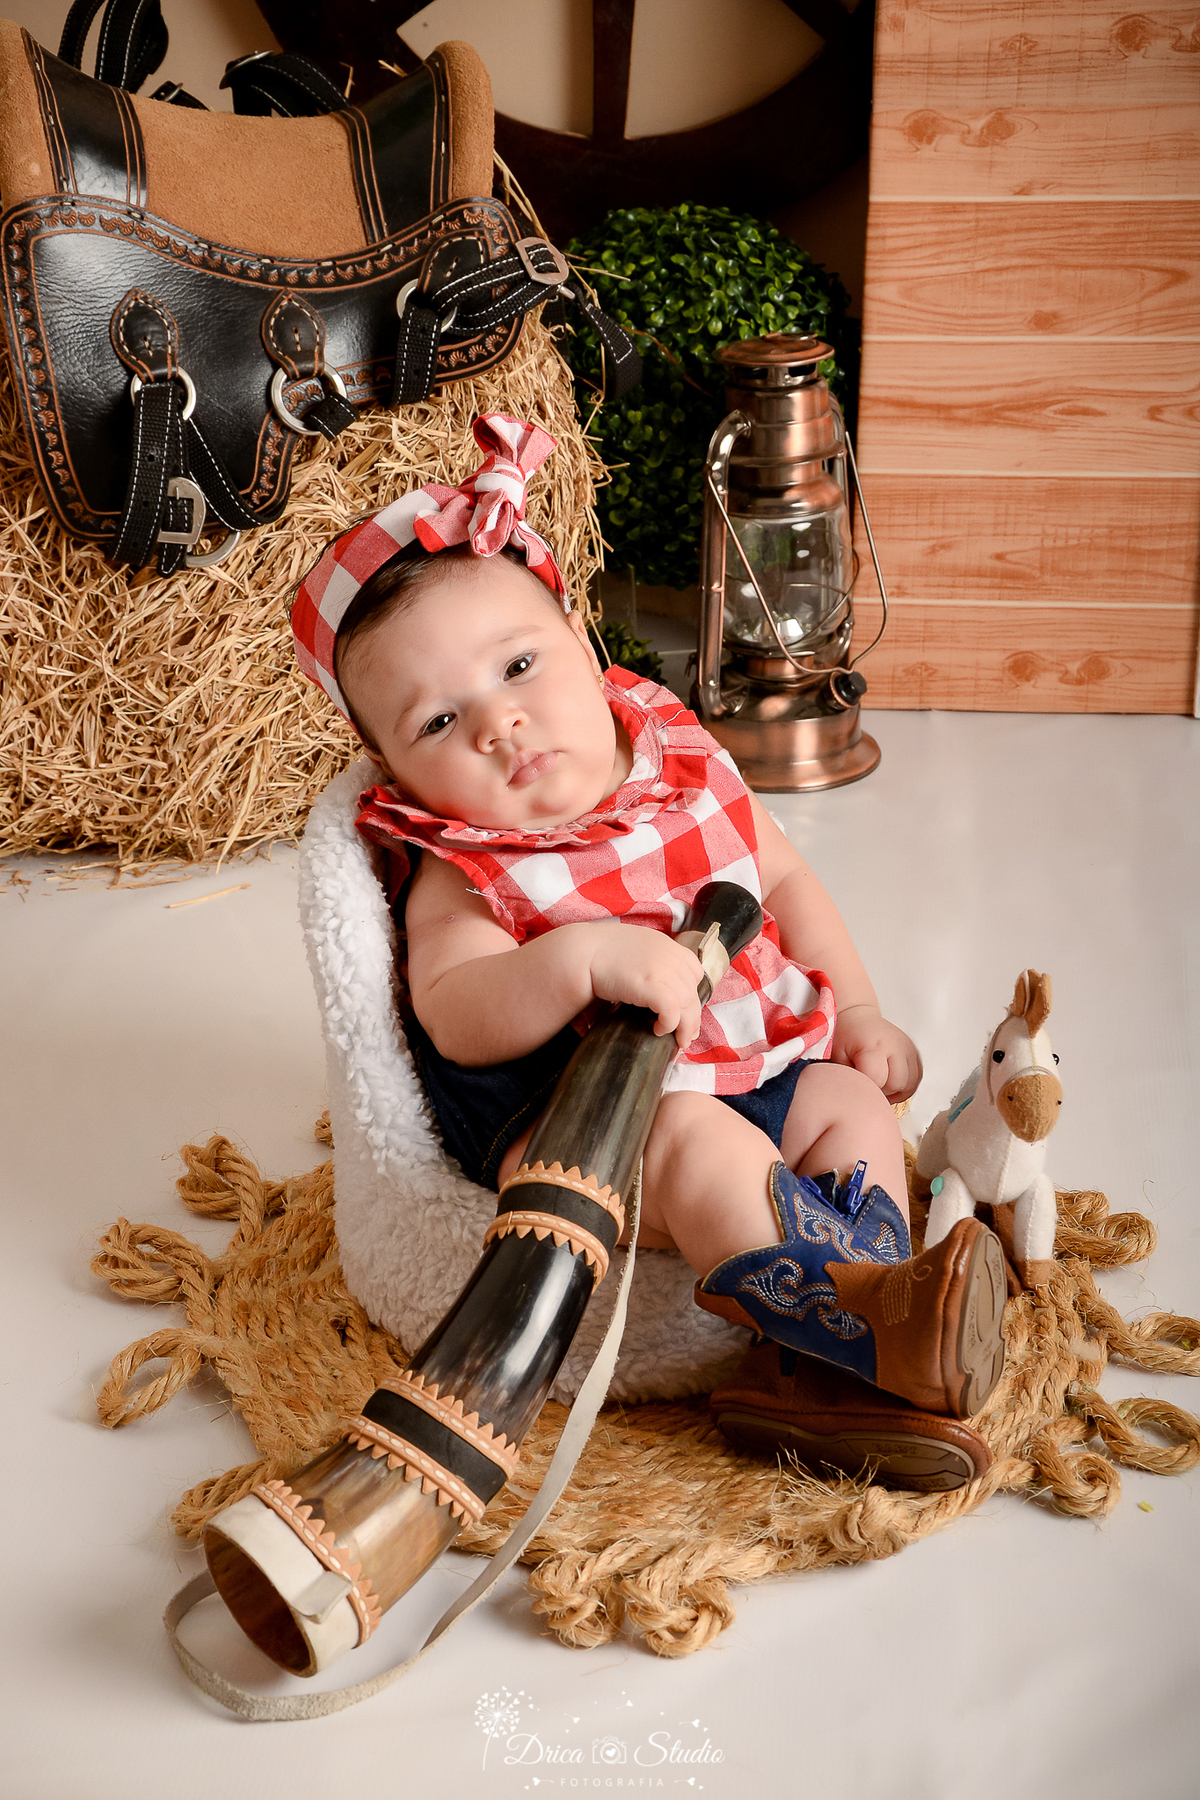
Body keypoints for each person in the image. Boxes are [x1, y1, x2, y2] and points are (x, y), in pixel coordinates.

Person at [291, 414, 1006, 1426]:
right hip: (603, 1125)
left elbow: (782, 878)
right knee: (696, 1143)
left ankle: (872, 1302)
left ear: (582, 643)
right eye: (439, 722)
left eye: (518, 667)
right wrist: (578, 961)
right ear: (396, 772)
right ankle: (851, 1331)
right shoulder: (465, 863)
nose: (498, 723)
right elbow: (455, 1010)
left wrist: (856, 1011)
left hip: (759, 1065)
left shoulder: (675, 756)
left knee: (849, 1103)